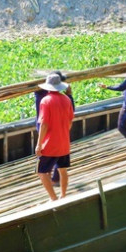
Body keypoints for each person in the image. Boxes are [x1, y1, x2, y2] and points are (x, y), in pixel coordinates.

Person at [35, 73, 75, 201]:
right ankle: (63, 195)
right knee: (62, 170)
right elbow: (70, 121)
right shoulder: (67, 99)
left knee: (41, 172)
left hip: (50, 143)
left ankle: (53, 198)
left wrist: (39, 144)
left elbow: (44, 124)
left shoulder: (45, 101)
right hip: (64, 142)